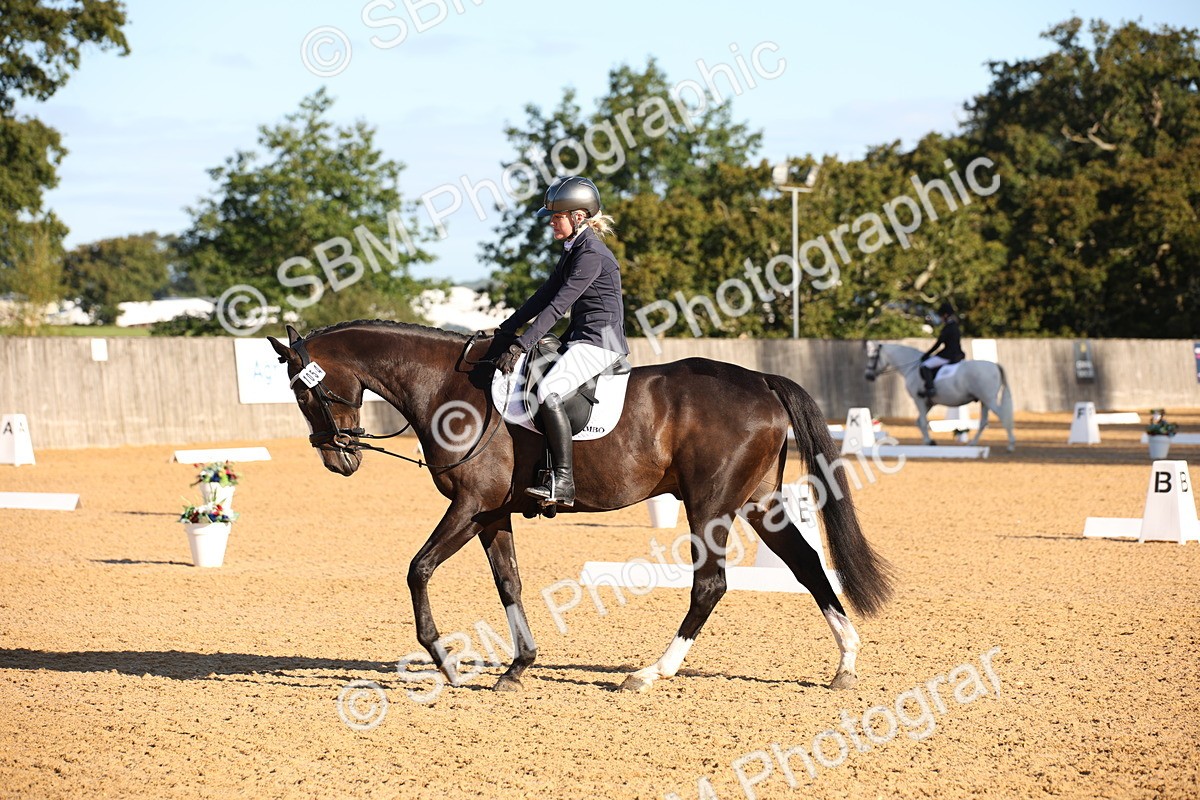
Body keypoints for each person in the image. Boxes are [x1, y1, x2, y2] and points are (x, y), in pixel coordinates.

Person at [493, 176, 630, 507]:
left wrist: (522, 344)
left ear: (578, 217)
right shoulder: (574, 250)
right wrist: (506, 329)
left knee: (548, 390)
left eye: (557, 217)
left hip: (600, 342)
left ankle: (564, 482)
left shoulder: (592, 254)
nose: (552, 222)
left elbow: (558, 306)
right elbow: (544, 295)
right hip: (580, 338)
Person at [918, 301, 965, 405]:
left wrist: (926, 354)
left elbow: (939, 344)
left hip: (948, 355)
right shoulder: (955, 326)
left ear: (945, 315)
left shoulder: (947, 328)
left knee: (925, 366)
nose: (940, 318)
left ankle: (930, 389)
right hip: (958, 353)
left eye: (941, 316)